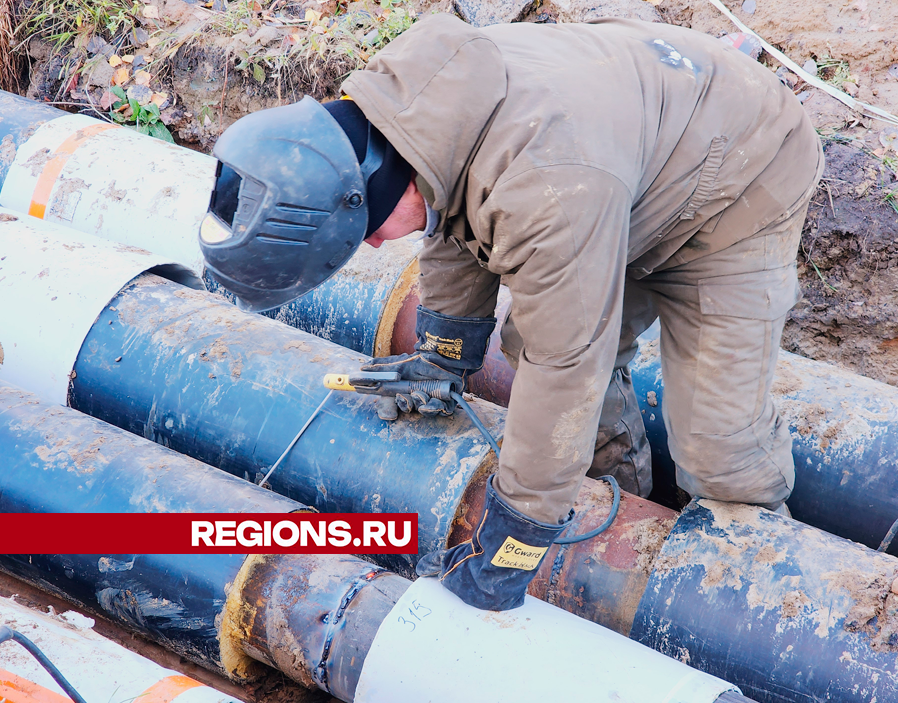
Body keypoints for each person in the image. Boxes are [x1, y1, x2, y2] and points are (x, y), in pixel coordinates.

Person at [198, 14, 824, 612]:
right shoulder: (407, 120)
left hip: (738, 177)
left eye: (362, 230)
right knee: (534, 341)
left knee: (719, 446)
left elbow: (567, 365)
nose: (372, 246)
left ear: (369, 188)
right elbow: (453, 219)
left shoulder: (544, 189)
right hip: (620, 160)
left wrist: (516, 533)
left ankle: (754, 596)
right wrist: (443, 353)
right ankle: (621, 509)